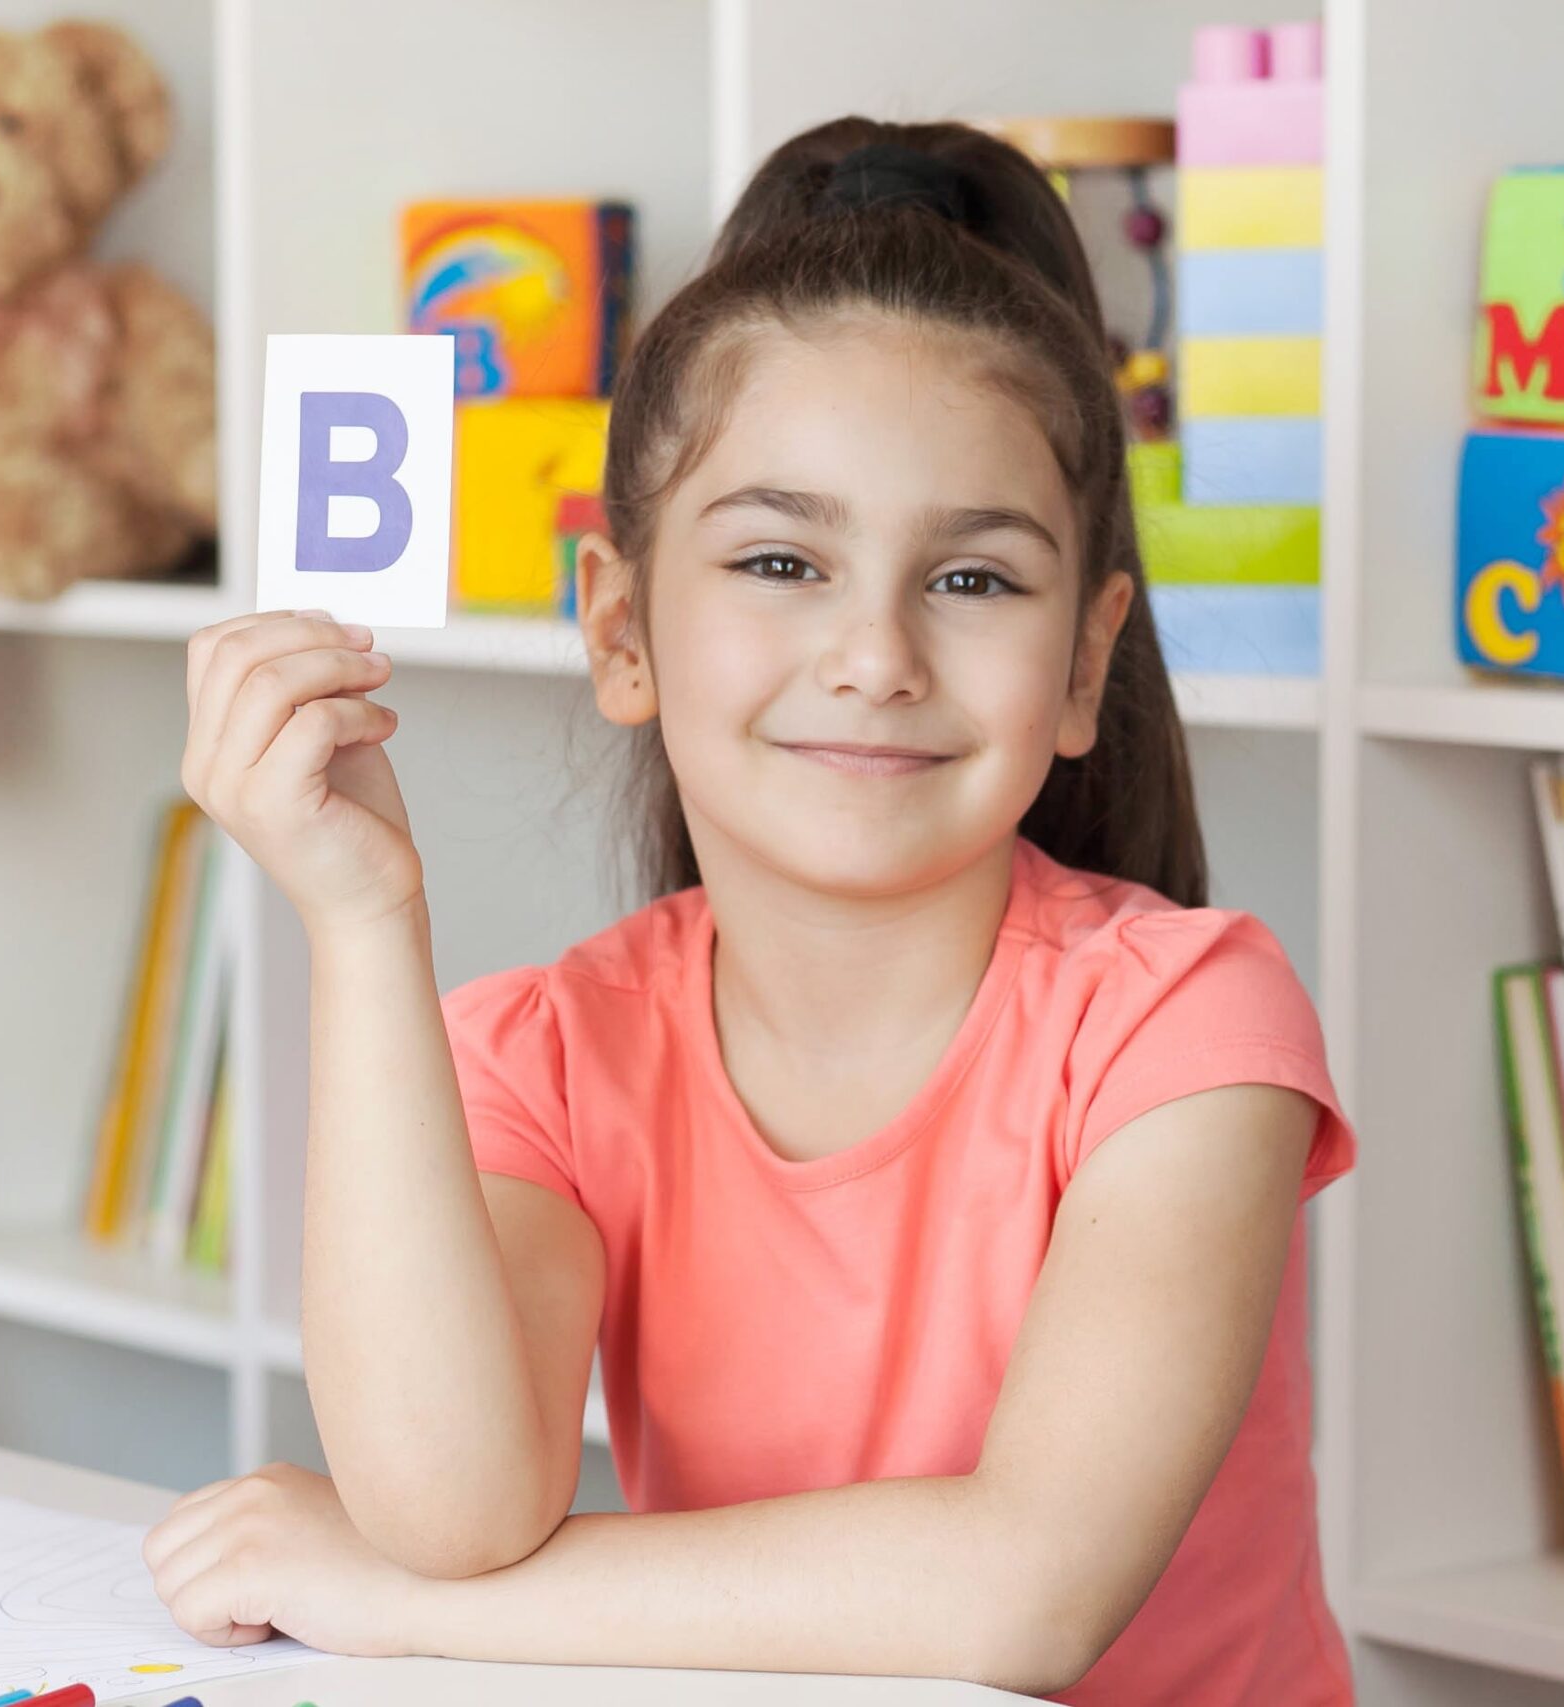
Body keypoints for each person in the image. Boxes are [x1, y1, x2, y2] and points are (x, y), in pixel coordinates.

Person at [151, 116, 1356, 1707]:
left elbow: (1024, 1599)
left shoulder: (1189, 1023)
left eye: (975, 580)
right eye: (782, 562)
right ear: (620, 626)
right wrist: (363, 920)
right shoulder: (546, 1052)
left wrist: (396, 1601)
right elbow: (451, 1513)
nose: (876, 656)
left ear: (1084, 661)